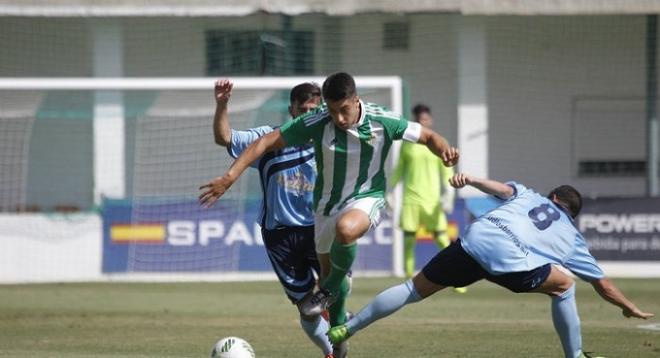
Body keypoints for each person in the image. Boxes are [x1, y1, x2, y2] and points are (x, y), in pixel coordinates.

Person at [200, 72, 459, 358]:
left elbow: (427, 136)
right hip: (305, 221)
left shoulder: (380, 120)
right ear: (293, 110)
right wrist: (229, 176)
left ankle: (331, 291)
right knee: (313, 306)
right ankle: (338, 339)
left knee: (344, 239)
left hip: (358, 202)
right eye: (330, 111)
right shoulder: (308, 127)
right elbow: (246, 141)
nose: (339, 119)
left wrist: (445, 151)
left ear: (355, 101)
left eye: (342, 110)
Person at [327, 173, 654, 358]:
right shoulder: (572, 237)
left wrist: (469, 179)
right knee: (565, 286)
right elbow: (603, 284)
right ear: (571, 212)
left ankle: (346, 328)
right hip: (512, 264)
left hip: (477, 241)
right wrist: (629, 307)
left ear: (552, 197)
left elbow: (499, 188)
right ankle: (575, 356)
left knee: (413, 289)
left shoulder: (529, 194)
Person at [211, 79, 336, 358]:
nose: (306, 113)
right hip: (280, 236)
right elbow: (225, 138)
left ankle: (339, 333)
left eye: (312, 109)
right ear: (291, 108)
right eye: (301, 108)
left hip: (319, 230)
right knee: (306, 306)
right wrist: (222, 104)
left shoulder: (330, 140)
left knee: (334, 292)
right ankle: (331, 351)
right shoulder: (269, 137)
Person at [390, 104, 462, 291]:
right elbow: (399, 170)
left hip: (432, 199)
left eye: (426, 119)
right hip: (410, 198)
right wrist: (389, 191)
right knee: (408, 239)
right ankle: (407, 279)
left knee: (441, 238)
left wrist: (449, 192)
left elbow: (447, 168)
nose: (424, 122)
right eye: (420, 120)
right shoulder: (408, 144)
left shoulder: (440, 142)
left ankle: (458, 278)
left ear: (431, 120)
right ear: (416, 122)